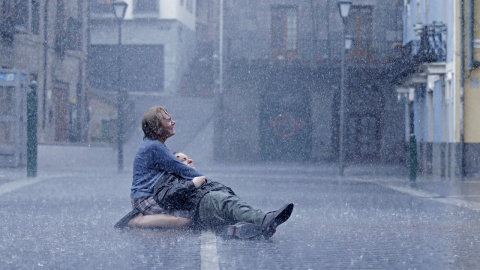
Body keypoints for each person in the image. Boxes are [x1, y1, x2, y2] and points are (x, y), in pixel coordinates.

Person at [116, 106, 294, 239]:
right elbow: (181, 169)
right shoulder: (154, 146)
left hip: (153, 195)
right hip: (147, 198)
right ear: (156, 127)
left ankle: (241, 227)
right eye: (168, 120)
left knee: (204, 214)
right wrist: (203, 181)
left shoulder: (153, 145)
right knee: (188, 219)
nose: (173, 122)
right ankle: (136, 220)